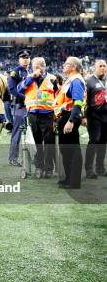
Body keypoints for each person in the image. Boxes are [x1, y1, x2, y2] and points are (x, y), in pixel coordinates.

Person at [17, 57, 58, 178]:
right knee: (36, 142)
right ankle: (39, 167)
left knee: (49, 142)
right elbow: (20, 89)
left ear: (43, 67)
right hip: (33, 114)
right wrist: (31, 77)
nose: (35, 69)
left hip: (48, 114)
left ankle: (49, 168)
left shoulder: (52, 78)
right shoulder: (28, 78)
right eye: (34, 67)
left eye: (37, 67)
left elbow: (57, 94)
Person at [55, 57, 86, 189]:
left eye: (66, 64)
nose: (63, 65)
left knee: (72, 150)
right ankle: (69, 178)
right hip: (65, 117)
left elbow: (78, 102)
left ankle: (73, 182)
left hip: (70, 117)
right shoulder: (71, 80)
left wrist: (71, 121)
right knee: (66, 150)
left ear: (73, 67)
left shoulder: (77, 80)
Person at [84, 59, 106, 178]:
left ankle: (100, 168)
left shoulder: (106, 81)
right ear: (95, 68)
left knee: (103, 143)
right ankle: (88, 169)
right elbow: (84, 101)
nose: (103, 68)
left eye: (104, 66)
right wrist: (83, 116)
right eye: (100, 66)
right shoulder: (89, 81)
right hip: (93, 116)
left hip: (105, 117)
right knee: (94, 141)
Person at [8, 49, 31, 166]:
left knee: (29, 132)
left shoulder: (30, 72)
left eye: (27, 58)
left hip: (30, 106)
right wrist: (25, 98)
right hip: (20, 106)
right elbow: (12, 89)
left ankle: (28, 158)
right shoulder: (15, 72)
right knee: (17, 131)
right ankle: (13, 158)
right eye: (23, 58)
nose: (25, 60)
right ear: (19, 59)